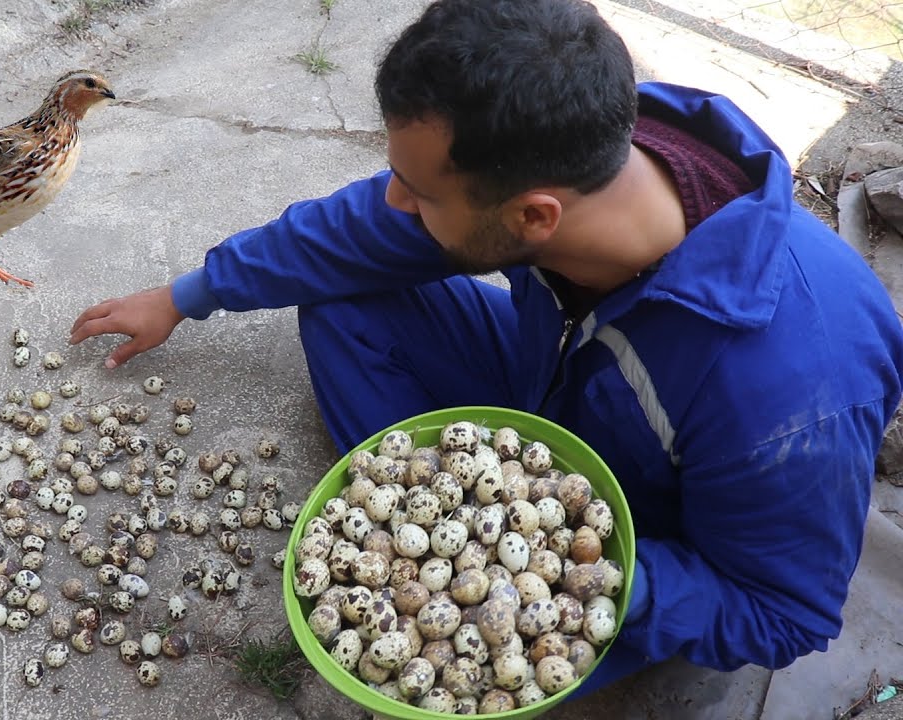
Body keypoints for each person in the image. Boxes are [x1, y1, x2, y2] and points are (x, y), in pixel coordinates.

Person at [70, 0, 903, 699]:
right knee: (343, 301)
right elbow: (364, 229)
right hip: (555, 374)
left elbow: (781, 612)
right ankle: (417, 507)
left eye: (420, 189)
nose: (396, 196)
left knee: (489, 649)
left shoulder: (788, 390)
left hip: (642, 523)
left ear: (534, 217)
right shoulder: (575, 150)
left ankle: (496, 598)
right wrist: (189, 295)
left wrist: (571, 571)